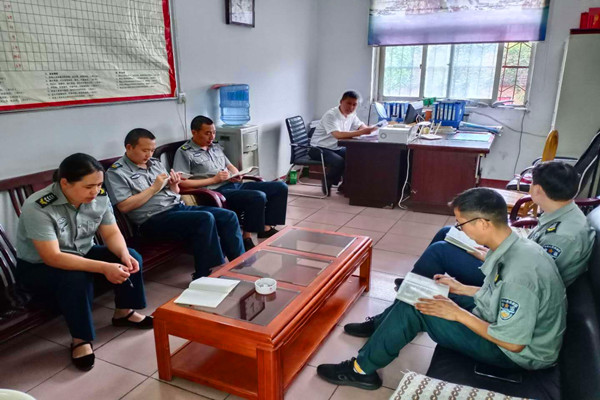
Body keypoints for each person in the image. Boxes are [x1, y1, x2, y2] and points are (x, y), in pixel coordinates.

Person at [317, 188, 566, 390]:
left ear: (483, 223)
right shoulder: (514, 247)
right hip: (501, 321)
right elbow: (499, 295)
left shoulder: (520, 274)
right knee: (422, 291)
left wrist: (458, 314)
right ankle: (382, 329)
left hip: (516, 355)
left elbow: (513, 343)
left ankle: (361, 371)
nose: (460, 229)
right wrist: (462, 289)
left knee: (417, 308)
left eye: (461, 223)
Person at [16, 153, 152, 371]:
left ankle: (124, 312)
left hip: (81, 253)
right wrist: (104, 267)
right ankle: (81, 339)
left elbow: (111, 233)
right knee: (75, 278)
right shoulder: (39, 206)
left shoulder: (99, 197)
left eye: (98, 185)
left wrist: (123, 255)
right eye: (89, 186)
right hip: (39, 267)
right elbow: (53, 257)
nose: (95, 191)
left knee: (131, 256)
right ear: (65, 183)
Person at [400, 161, 595, 288]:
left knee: (440, 251)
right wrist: (495, 251)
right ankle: (417, 281)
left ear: (536, 190)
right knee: (447, 232)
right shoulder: (561, 213)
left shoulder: (563, 235)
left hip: (507, 281)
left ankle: (413, 290)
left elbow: (535, 279)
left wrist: (493, 257)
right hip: (512, 263)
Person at [104, 128, 244, 280]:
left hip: (177, 208)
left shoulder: (154, 163)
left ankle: (240, 264)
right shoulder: (116, 172)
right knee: (204, 219)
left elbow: (175, 192)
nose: (149, 155)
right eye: (144, 150)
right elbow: (124, 206)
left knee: (228, 216)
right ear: (129, 147)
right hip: (152, 220)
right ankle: (206, 273)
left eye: (152, 150)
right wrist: (153, 188)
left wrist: (174, 184)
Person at [173, 115, 288, 251]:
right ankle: (246, 237)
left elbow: (229, 165)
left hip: (233, 184)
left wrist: (236, 174)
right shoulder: (184, 152)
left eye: (214, 132)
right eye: (207, 133)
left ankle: (266, 227)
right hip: (216, 191)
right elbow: (182, 183)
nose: (212, 136)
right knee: (257, 196)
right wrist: (213, 180)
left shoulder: (215, 146)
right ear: (194, 132)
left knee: (280, 187)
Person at [309, 90, 378, 196]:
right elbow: (338, 135)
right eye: (348, 103)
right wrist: (362, 132)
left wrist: (372, 129)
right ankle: (327, 180)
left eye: (354, 104)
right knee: (339, 162)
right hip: (318, 148)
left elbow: (361, 126)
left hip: (336, 147)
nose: (351, 107)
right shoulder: (331, 115)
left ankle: (346, 186)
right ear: (341, 102)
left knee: (356, 157)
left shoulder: (352, 114)